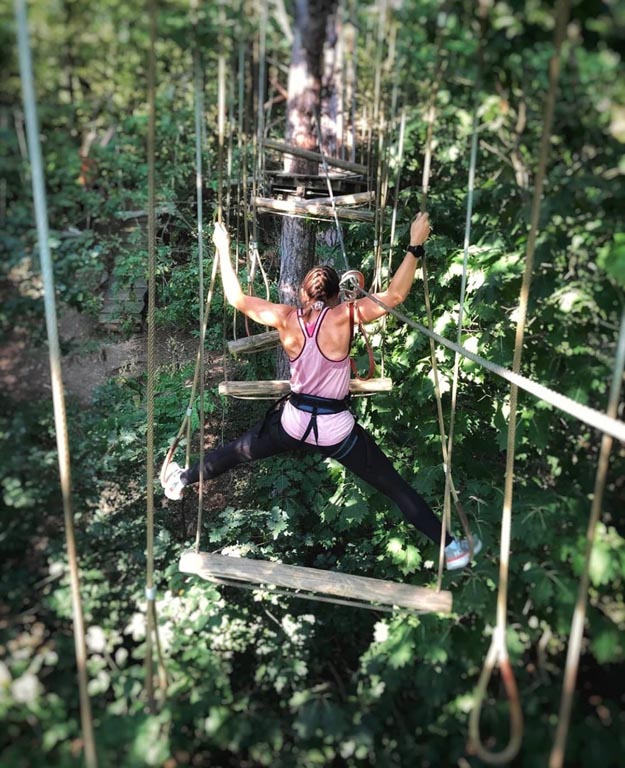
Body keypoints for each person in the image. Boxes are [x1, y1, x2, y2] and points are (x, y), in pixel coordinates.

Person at [162, 213, 481, 570]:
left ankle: (181, 479)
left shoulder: (285, 317)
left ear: (302, 292)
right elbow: (395, 294)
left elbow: (236, 298)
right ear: (333, 296)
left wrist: (222, 248)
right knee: (393, 486)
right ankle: (452, 547)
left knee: (238, 451)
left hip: (294, 421)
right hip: (336, 429)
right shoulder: (346, 315)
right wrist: (415, 244)